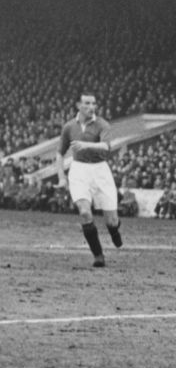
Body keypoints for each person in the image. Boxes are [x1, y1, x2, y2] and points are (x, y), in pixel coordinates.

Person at [55, 92, 123, 268]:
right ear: (79, 105)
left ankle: (114, 228)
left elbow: (106, 146)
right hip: (79, 170)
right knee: (85, 212)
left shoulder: (102, 124)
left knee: (112, 221)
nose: (91, 106)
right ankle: (98, 255)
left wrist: (86, 145)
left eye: (93, 103)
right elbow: (59, 153)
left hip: (100, 170)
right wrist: (62, 177)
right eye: (87, 103)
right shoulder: (69, 127)